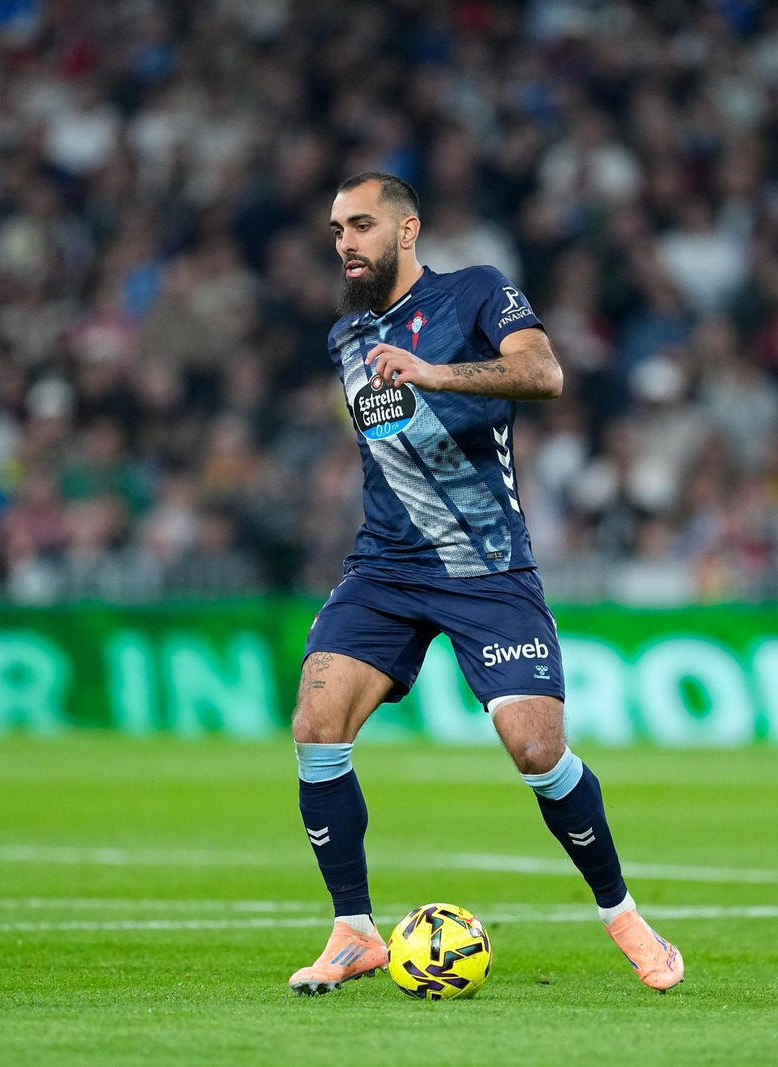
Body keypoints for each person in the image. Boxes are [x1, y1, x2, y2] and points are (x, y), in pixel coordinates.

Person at [287, 173, 684, 994]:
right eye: (336, 231)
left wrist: (434, 375)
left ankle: (622, 912)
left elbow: (545, 376)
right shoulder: (346, 337)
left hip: (486, 564)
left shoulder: (477, 293)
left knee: (537, 748)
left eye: (361, 225)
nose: (346, 243)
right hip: (385, 567)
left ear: (407, 230)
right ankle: (353, 930)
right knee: (316, 723)